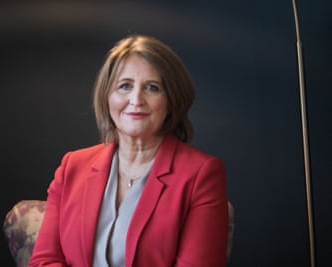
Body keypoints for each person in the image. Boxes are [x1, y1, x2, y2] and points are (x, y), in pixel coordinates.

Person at [28, 34, 228, 267]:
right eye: (125, 86)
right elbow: (44, 260)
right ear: (107, 97)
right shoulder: (73, 166)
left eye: (152, 88)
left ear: (172, 100)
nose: (136, 99)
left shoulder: (201, 175)